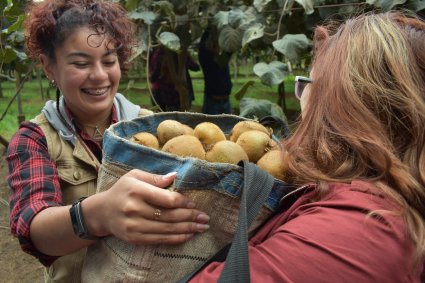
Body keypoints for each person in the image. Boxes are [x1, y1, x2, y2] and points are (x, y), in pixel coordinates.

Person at [128, 11, 425, 282]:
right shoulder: (368, 194)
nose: (300, 97)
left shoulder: (357, 232)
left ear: (337, 105)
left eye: (308, 84)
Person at [5, 0, 210, 282]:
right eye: (81, 63)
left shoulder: (153, 127)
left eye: (109, 61)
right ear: (49, 67)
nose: (100, 75)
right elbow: (33, 229)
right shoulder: (35, 139)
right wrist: (97, 215)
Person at [149, 46, 200, 111]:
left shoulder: (160, 56)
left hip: (170, 96)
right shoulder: (181, 54)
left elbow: (153, 78)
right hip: (177, 94)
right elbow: (196, 67)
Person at [198, 26, 233, 114]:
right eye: (215, 44)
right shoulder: (206, 60)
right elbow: (202, 47)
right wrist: (209, 26)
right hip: (212, 103)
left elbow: (231, 46)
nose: (217, 47)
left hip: (226, 101)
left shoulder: (223, 58)